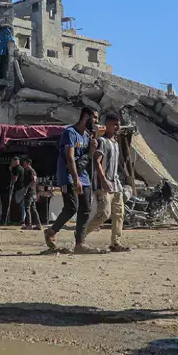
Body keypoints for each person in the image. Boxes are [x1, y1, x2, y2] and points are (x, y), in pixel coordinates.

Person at [44, 107, 101, 254]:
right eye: (94, 117)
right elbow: (69, 158)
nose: (96, 121)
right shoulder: (70, 133)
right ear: (86, 116)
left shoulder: (87, 136)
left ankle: (80, 243)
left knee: (86, 209)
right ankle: (51, 231)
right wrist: (76, 180)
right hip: (68, 175)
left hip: (84, 176)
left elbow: (86, 158)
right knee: (72, 207)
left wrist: (92, 149)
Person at [84, 113, 129, 252]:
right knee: (104, 214)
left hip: (116, 184)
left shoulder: (115, 143)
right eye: (114, 124)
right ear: (107, 125)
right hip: (103, 184)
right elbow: (97, 162)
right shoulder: (102, 141)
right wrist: (103, 180)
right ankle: (81, 235)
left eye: (118, 124)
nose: (117, 126)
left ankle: (115, 242)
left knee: (119, 214)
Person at [18, 156, 41, 230]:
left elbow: (33, 181)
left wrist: (27, 188)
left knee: (27, 208)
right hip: (33, 192)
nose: (23, 165)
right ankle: (38, 224)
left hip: (30, 192)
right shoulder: (29, 171)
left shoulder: (31, 171)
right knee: (33, 208)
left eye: (24, 163)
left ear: (28, 164)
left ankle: (29, 224)